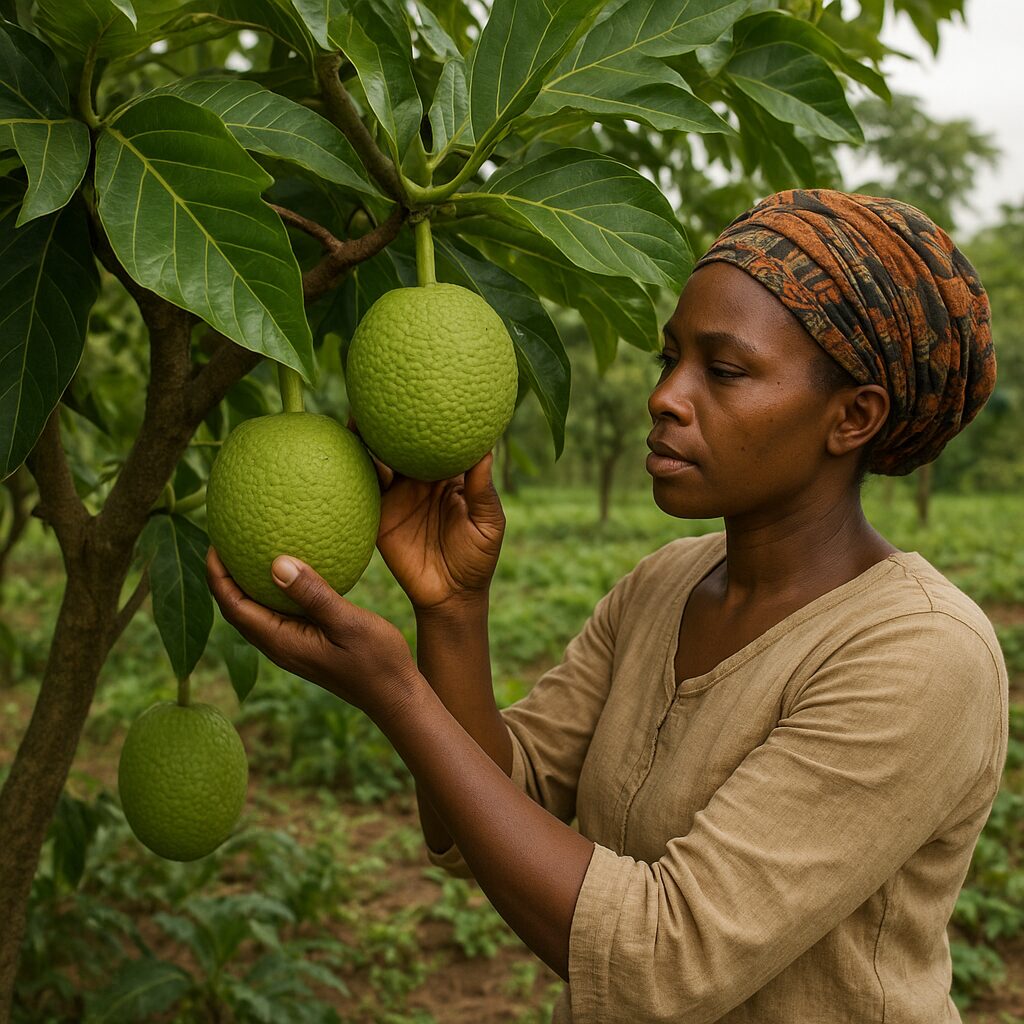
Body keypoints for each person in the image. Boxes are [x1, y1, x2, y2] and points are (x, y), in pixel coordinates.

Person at [207, 188, 1008, 1023]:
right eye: (671, 361)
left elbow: (662, 962)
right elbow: (489, 808)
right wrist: (451, 612)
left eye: (724, 370)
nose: (666, 397)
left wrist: (395, 692)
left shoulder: (921, 653)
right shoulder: (663, 586)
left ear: (853, 417)